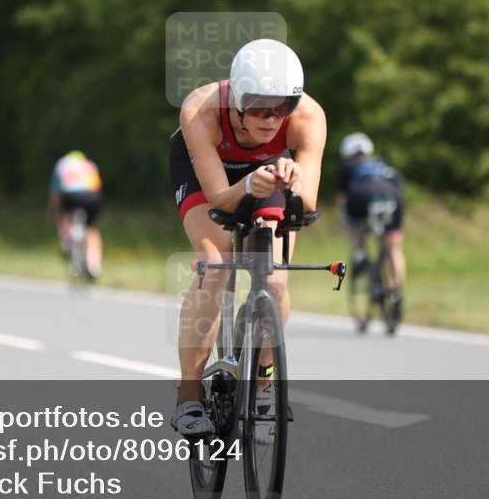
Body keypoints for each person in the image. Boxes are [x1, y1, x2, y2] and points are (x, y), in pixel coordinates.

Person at [168, 38, 326, 436]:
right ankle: (189, 394)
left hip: (270, 172)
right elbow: (221, 198)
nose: (271, 117)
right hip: (208, 174)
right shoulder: (201, 109)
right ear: (235, 98)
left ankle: (261, 378)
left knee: (273, 281)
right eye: (257, 103)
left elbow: (307, 201)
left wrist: (291, 183)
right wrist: (249, 183)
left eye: (282, 105)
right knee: (217, 265)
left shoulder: (308, 115)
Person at [338, 132, 406, 317]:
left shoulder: (347, 167)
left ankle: (359, 252)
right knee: (393, 247)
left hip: (362, 194)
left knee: (351, 220)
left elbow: (344, 199)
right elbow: (399, 184)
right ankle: (395, 289)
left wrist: (346, 221)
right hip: (393, 195)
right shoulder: (382, 163)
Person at [48, 151, 103, 279]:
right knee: (92, 230)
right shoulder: (90, 165)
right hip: (92, 196)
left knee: (66, 216)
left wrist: (53, 211)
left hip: (71, 195)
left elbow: (55, 193)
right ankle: (94, 265)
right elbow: (98, 186)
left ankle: (67, 239)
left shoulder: (62, 165)